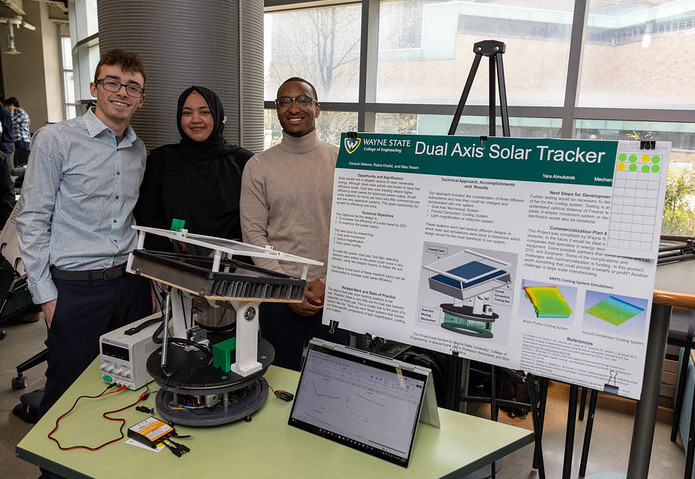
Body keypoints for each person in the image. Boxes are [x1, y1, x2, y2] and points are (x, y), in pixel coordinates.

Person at [15, 49, 153, 430]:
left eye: (132, 87)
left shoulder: (138, 150)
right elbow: (32, 220)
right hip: (75, 291)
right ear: (94, 87)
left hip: (129, 286)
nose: (121, 92)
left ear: (141, 98)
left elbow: (130, 218)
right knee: (66, 393)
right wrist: (46, 297)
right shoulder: (55, 140)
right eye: (112, 82)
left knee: (128, 387)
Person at [240, 77, 348, 371]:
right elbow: (253, 234)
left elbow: (353, 234)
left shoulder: (341, 162)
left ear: (317, 108)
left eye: (302, 100)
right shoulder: (258, 166)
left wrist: (327, 281)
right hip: (278, 295)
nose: (293, 107)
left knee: (332, 381)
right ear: (277, 110)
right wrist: (289, 288)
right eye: (284, 101)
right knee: (279, 383)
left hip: (332, 294)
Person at [135, 85, 253, 252]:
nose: (196, 119)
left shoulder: (244, 162)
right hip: (174, 266)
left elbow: (254, 224)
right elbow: (148, 218)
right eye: (187, 113)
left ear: (217, 115)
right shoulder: (161, 161)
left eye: (204, 112)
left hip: (234, 268)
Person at [4, 97, 30, 166]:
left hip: (22, 140)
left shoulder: (22, 114)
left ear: (12, 105)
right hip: (19, 140)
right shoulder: (17, 113)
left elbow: (11, 122)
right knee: (18, 160)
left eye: (8, 106)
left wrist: (11, 111)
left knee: (21, 162)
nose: (8, 108)